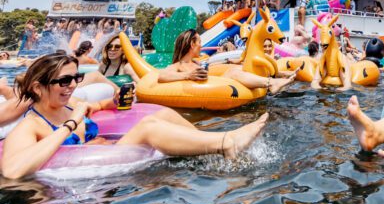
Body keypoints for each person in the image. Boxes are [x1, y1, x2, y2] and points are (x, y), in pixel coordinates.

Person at [1, 53, 268, 179]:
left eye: (76, 77)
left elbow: (100, 106)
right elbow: (12, 171)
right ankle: (225, 143)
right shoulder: (30, 126)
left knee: (163, 115)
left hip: (111, 156)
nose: (72, 85)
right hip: (74, 191)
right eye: (64, 80)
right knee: (150, 126)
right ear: (38, 87)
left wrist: (114, 101)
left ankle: (211, 142)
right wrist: (71, 125)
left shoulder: (73, 104)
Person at [159, 30, 295, 94]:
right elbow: (162, 76)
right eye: (199, 42)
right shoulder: (179, 65)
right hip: (208, 90)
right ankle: (271, 83)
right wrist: (188, 76)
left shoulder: (197, 62)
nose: (201, 45)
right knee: (232, 72)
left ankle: (274, 78)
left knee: (236, 69)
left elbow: (213, 68)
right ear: (192, 44)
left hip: (216, 83)